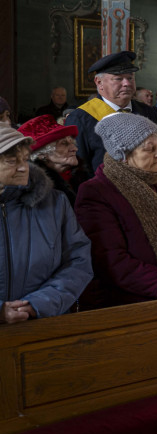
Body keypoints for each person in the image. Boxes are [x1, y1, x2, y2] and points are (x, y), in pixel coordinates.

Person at [74, 113, 157, 308]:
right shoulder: (97, 192)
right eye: (149, 149)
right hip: (130, 303)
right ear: (123, 155)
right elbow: (109, 260)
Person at [0, 127, 92, 322]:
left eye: (24, 159)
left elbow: (78, 260)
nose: (24, 167)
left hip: (46, 323)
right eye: (11, 161)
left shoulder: (55, 203)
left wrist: (38, 304)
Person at [64, 51, 157, 178]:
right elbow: (77, 170)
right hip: (104, 194)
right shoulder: (81, 119)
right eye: (118, 78)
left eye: (130, 78)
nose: (127, 83)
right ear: (99, 83)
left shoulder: (147, 112)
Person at [19, 115, 81, 204]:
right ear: (41, 154)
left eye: (72, 143)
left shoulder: (81, 176)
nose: (75, 148)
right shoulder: (35, 188)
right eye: (64, 143)